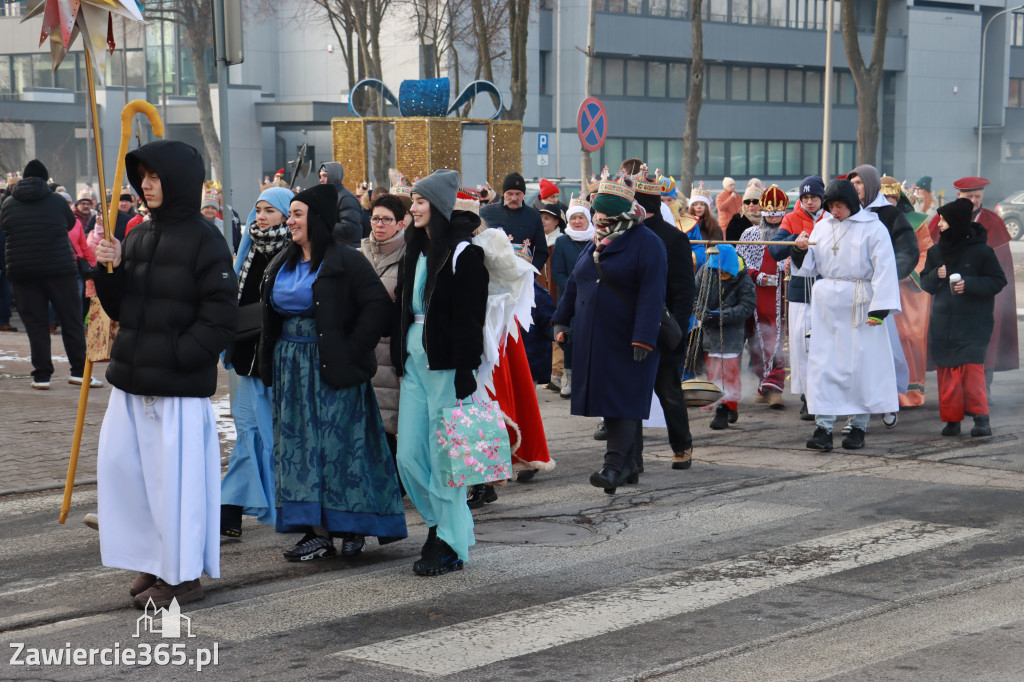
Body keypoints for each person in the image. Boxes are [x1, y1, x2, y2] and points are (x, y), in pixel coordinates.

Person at [92, 140, 238, 608]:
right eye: (143, 177)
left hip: (174, 389)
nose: (146, 184)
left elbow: (220, 314)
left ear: (176, 180)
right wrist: (108, 265)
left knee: (174, 484)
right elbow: (121, 308)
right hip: (133, 380)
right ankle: (153, 560)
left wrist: (180, 354)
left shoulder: (205, 239)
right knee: (129, 476)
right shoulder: (138, 235)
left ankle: (181, 575)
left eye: (155, 176)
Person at [259, 182, 404, 561]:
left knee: (342, 448)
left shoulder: (345, 260)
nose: (290, 222)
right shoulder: (283, 261)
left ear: (317, 220)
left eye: (297, 214)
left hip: (332, 369)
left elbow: (377, 306)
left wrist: (353, 348)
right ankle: (316, 532)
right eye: (289, 214)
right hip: (292, 369)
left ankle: (352, 527)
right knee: (299, 448)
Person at [393, 169, 488, 576]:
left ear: (439, 206)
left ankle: (448, 542)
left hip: (447, 364)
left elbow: (471, 318)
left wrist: (466, 368)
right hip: (415, 361)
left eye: (419, 201)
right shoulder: (413, 250)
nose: (412, 207)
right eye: (412, 200)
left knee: (445, 458)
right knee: (409, 456)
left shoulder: (465, 255)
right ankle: (439, 525)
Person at [551, 172, 667, 493]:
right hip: (595, 338)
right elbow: (576, 281)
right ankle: (628, 465)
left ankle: (613, 466)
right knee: (613, 401)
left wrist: (643, 336)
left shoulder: (648, 244)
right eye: (597, 214)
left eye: (605, 216)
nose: (599, 220)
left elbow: (652, 295)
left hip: (629, 338)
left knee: (623, 401)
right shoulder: (597, 243)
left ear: (622, 215)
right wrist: (561, 320)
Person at [791, 179, 901, 452]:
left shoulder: (874, 228)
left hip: (860, 303)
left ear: (852, 204)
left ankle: (857, 427)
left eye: (839, 206)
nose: (834, 211)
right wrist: (800, 249)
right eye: (831, 206)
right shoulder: (822, 226)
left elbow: (885, 268)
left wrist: (880, 308)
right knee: (824, 365)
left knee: (859, 367)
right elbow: (808, 266)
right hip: (827, 304)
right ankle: (823, 427)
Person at [219, 186, 294, 539]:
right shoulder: (248, 250)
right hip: (248, 359)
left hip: (281, 361)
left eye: (270, 211)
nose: (261, 217)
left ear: (285, 215)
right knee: (248, 431)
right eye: (258, 209)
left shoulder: (294, 252)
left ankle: (282, 505)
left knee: (274, 434)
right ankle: (230, 507)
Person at [919, 198, 1006, 437]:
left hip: (974, 325)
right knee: (947, 376)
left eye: (945, 220)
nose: (940, 225)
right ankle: (952, 421)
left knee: (971, 374)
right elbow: (925, 282)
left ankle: (981, 420)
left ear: (956, 222)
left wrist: (970, 285)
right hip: (943, 324)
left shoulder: (982, 252)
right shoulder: (936, 252)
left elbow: (998, 281)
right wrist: (936, 274)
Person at [0, 160, 89, 389]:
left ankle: (41, 376)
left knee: (36, 324)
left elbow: (6, 228)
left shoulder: (8, 203)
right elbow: (70, 224)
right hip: (59, 269)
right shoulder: (57, 201)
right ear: (45, 179)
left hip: (22, 271)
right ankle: (79, 372)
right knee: (71, 320)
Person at [926, 177, 1018, 389]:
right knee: (950, 347)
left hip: (981, 297)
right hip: (948, 300)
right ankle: (954, 396)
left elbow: (1001, 268)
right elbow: (930, 261)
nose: (974, 201)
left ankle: (981, 393)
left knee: (985, 345)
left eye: (978, 196)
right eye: (969, 196)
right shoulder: (941, 220)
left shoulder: (993, 221)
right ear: (959, 196)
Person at [635, 169, 696, 469]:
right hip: (632, 325)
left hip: (664, 325)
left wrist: (679, 331)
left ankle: (682, 445)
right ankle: (631, 454)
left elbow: (685, 291)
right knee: (630, 391)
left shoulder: (673, 238)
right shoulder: (626, 235)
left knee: (669, 391)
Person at [768, 175, 824, 420]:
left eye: (814, 197)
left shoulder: (832, 217)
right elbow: (775, 250)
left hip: (827, 290)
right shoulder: (791, 218)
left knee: (823, 346)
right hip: (800, 291)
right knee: (801, 346)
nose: (809, 202)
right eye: (805, 197)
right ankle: (806, 397)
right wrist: (794, 240)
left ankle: (823, 394)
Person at [360, 193, 408, 456]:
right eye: (376, 218)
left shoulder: (409, 257)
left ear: (400, 224)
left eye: (387, 220)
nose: (379, 225)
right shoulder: (359, 254)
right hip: (365, 350)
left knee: (393, 422)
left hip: (392, 353)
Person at [880, 175, 933, 408]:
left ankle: (910, 393)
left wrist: (904, 272)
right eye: (883, 197)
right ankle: (881, 391)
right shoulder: (866, 220)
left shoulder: (916, 221)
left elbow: (926, 254)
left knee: (909, 338)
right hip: (878, 289)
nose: (888, 202)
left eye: (892, 197)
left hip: (908, 291)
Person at [738, 185, 790, 408]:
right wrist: (757, 276)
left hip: (783, 296)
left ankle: (774, 387)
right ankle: (763, 383)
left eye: (778, 217)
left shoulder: (791, 233)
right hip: (757, 295)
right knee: (758, 342)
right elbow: (740, 264)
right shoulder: (750, 234)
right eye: (771, 217)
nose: (774, 221)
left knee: (778, 341)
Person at [696, 244, 756, 430]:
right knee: (713, 370)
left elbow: (747, 306)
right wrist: (701, 312)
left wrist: (724, 315)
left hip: (731, 334)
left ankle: (725, 407)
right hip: (709, 331)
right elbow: (694, 297)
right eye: (718, 273)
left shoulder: (744, 280)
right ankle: (723, 403)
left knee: (729, 373)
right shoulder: (704, 273)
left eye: (724, 273)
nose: (721, 276)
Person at [550, 199, 594, 399]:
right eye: (573, 217)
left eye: (581, 217)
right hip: (570, 298)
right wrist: (575, 288)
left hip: (594, 296)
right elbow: (557, 272)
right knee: (569, 337)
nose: (577, 221)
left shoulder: (596, 238)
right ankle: (567, 376)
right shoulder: (562, 241)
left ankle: (589, 378)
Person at [479, 172, 549, 270]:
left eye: (518, 194)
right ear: (504, 193)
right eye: (510, 194)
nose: (514, 198)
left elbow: (541, 252)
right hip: (493, 276)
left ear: (523, 194)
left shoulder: (534, 216)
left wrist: (530, 274)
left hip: (522, 277)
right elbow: (478, 245)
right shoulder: (486, 213)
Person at [318, 161, 364, 245]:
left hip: (348, 248)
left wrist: (322, 225)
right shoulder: (331, 196)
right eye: (320, 176)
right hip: (337, 246)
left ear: (334, 176)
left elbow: (349, 227)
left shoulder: (345, 198)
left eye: (325, 176)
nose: (321, 180)